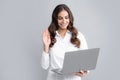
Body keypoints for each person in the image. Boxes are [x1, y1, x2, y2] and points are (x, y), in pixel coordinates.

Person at [41, 4, 89, 80]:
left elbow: (87, 61)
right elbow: (44, 66)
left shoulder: (79, 36)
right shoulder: (50, 37)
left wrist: (84, 71)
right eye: (60, 18)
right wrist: (46, 46)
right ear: (55, 19)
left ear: (70, 18)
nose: (64, 21)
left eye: (66, 18)